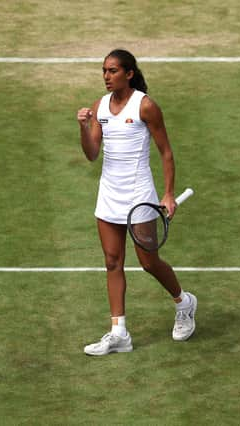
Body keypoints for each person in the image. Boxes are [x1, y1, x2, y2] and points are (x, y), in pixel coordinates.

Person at [76, 49, 197, 356]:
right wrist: (83, 126)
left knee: (148, 262)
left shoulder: (145, 106)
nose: (106, 76)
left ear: (128, 74)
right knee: (112, 262)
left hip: (138, 196)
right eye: (104, 70)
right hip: (108, 196)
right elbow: (92, 154)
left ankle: (184, 303)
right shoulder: (99, 106)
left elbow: (165, 152)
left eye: (113, 70)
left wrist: (168, 194)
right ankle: (119, 333)